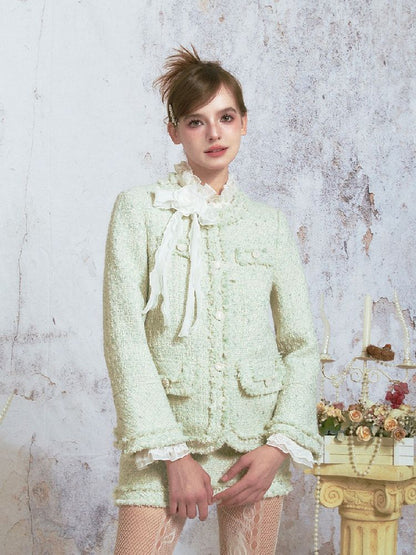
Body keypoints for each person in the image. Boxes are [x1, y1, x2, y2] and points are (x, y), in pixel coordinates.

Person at [103, 45, 321, 555]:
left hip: (256, 447)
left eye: (225, 117)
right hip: (163, 442)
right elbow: (124, 337)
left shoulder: (270, 225)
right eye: (196, 122)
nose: (214, 134)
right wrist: (173, 455)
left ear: (244, 122)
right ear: (174, 131)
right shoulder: (138, 211)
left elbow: (300, 345)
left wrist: (277, 447)